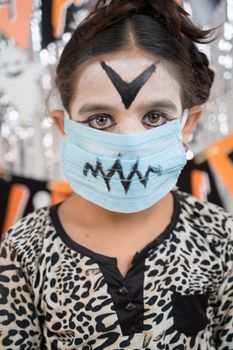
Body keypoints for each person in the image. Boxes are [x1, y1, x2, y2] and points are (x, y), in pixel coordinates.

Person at [0, 0, 233, 349]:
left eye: (154, 117)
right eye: (101, 120)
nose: (130, 145)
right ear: (65, 125)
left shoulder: (221, 239)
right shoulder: (22, 249)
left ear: (189, 124)